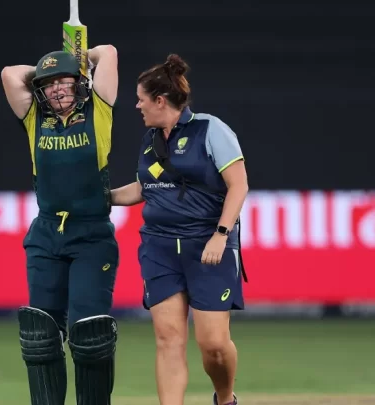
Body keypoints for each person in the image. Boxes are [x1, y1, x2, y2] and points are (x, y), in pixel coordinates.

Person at [110, 54, 249, 405]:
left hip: (207, 249)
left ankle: (225, 398)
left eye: (142, 98)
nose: (137, 105)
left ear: (160, 100)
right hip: (159, 249)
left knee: (213, 345)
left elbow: (239, 186)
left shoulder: (210, 129)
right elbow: (145, 188)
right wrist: (102, 197)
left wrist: (221, 234)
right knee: (168, 338)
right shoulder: (150, 139)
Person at [1, 44, 119, 405]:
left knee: (90, 335)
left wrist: (82, 56)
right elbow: (9, 73)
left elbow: (109, 54)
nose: (56, 89)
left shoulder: (98, 109)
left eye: (63, 81)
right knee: (41, 334)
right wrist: (49, 67)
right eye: (48, 84)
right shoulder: (35, 117)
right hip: (47, 235)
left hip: (91, 235)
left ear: (80, 81)